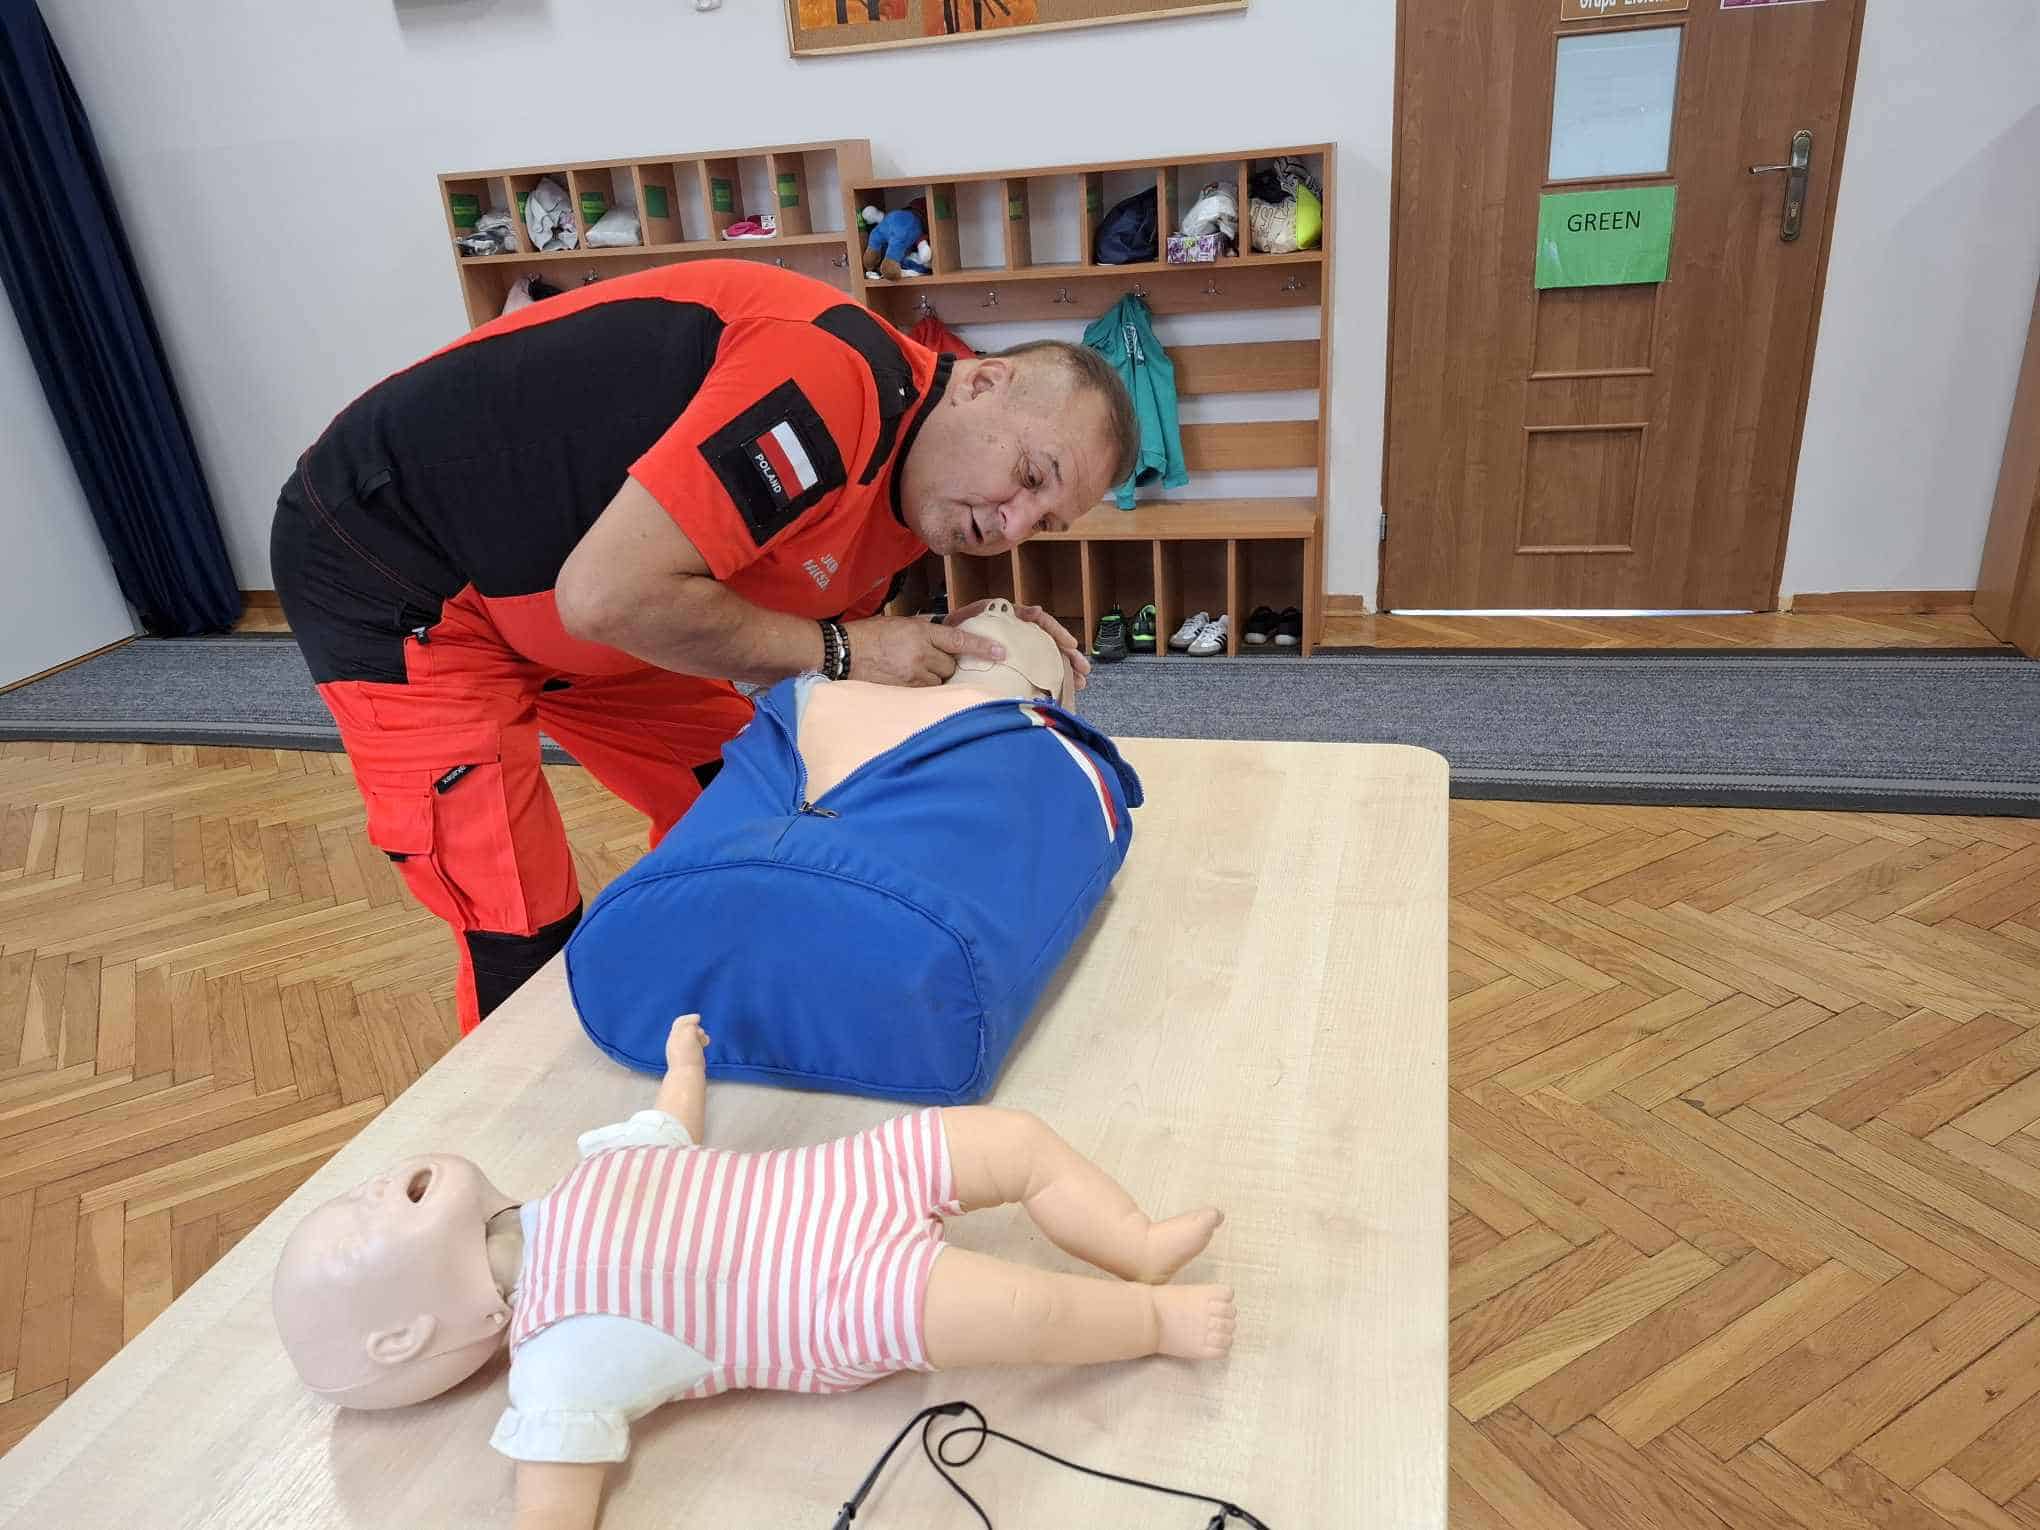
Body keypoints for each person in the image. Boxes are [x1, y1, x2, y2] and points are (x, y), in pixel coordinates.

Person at [270, 261, 1138, 1030]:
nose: (1013, 526)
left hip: (591, 616)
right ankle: (524, 1150)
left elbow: (792, 648)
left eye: (1044, 523)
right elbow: (613, 596)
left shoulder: (917, 499)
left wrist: (966, 643)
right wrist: (843, 648)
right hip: (398, 561)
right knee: (518, 922)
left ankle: (698, 1036)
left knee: (756, 816)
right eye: (1031, 477)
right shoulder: (829, 384)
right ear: (981, 383)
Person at [271, 1015, 1235, 1530]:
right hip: (835, 1299)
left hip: (847, 1176)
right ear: (402, 1338)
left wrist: (684, 1067)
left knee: (1012, 1139)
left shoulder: (585, 1174)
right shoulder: (555, 1366)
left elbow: (669, 1128)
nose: (371, 1190)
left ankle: (1137, 1242)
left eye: (351, 1191)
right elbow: (552, 1507)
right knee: (1022, 1311)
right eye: (357, 1223)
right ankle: (1155, 1324)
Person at [563, 602, 1141, 1105]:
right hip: (908, 960)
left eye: (1007, 622)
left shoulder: (808, 698)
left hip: (654, 930)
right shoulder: (1059, 758)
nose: (998, 608)